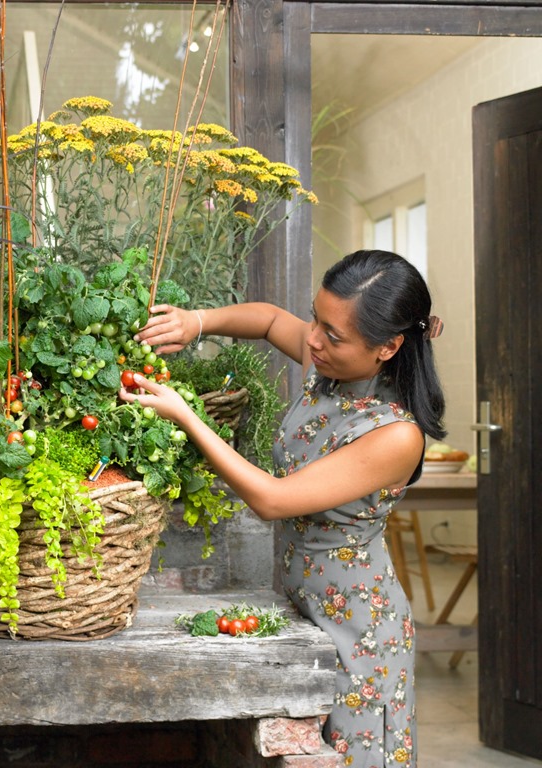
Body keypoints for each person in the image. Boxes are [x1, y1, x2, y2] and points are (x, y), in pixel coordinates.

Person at [122, 250, 446, 768]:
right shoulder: (330, 366)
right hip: (302, 608)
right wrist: (196, 322)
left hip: (358, 631)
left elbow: (272, 499)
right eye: (316, 318)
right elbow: (271, 319)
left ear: (388, 346)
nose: (313, 338)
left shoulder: (394, 433)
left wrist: (187, 416)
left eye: (333, 334)